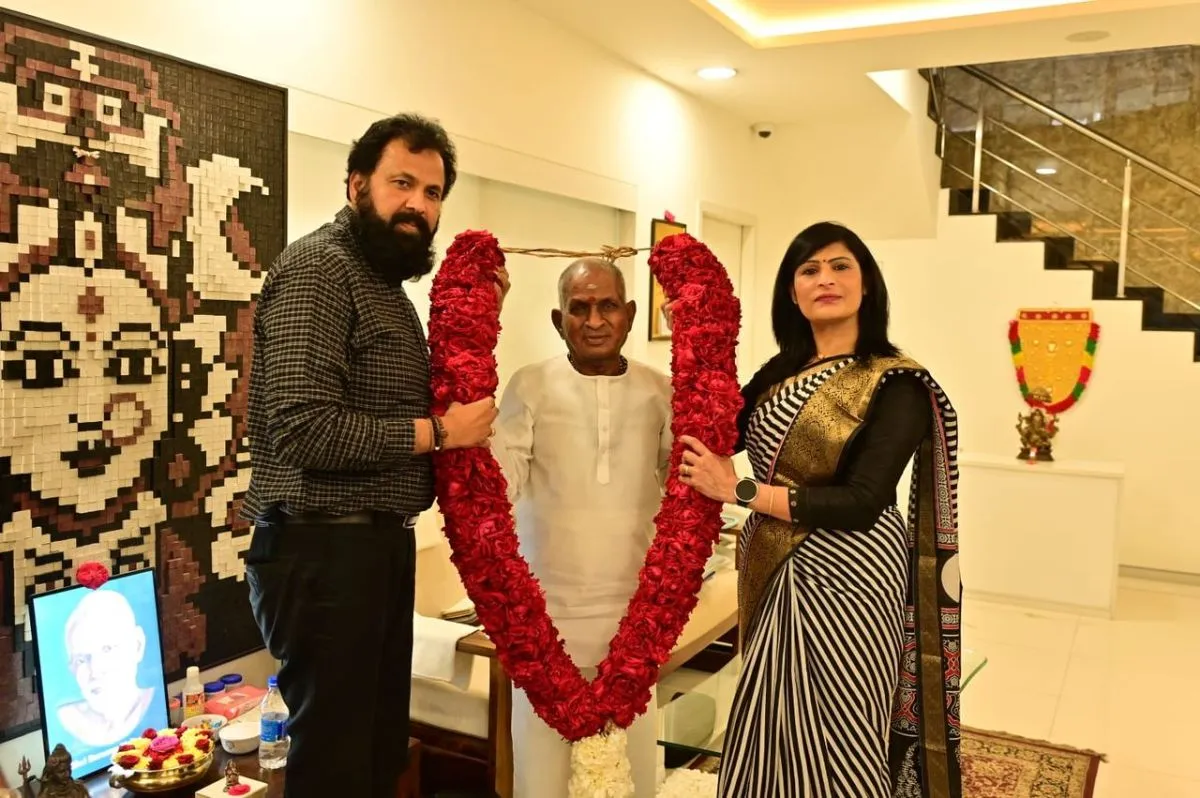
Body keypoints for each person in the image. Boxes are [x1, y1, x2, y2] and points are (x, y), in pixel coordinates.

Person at [241, 113, 507, 798]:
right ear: (357, 183)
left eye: (434, 192)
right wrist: (440, 433)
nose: (419, 205)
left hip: (372, 550)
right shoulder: (320, 269)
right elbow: (305, 429)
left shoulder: (382, 285)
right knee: (336, 769)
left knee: (377, 757)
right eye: (402, 183)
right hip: (322, 552)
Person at [675, 222, 962, 797]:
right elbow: (709, 432)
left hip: (852, 577)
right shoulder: (780, 371)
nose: (824, 279)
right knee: (768, 716)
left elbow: (861, 502)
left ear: (867, 284)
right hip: (774, 567)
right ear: (791, 291)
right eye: (809, 270)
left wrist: (742, 492)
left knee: (840, 729)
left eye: (840, 266)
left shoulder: (896, 381)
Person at [490, 258, 671, 798]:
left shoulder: (661, 391)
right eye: (579, 307)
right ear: (557, 318)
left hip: (634, 624)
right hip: (546, 623)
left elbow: (687, 487)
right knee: (542, 781)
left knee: (632, 777)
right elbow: (496, 485)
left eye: (607, 305)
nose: (594, 320)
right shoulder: (530, 385)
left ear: (630, 314)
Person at [56, 589, 157, 748]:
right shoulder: (64, 723)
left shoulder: (156, 706)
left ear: (137, 646)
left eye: (107, 649)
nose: (95, 671)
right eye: (81, 659)